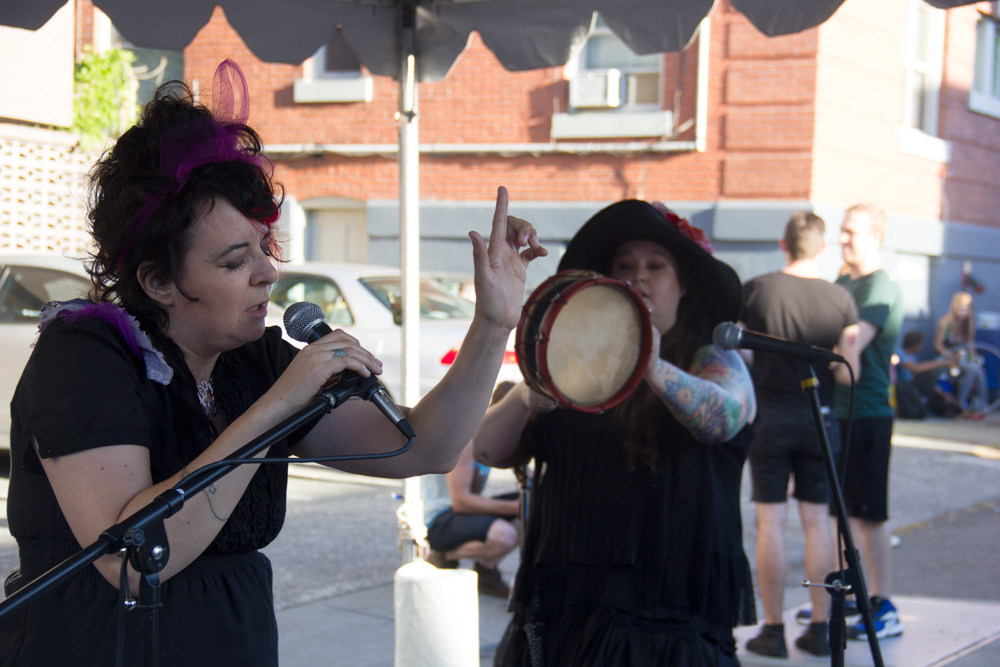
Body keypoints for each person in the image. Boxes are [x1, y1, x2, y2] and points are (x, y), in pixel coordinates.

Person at [0, 61, 546, 667]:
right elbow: (132, 559)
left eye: (265, 246)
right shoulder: (85, 359)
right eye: (235, 262)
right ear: (157, 280)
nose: (268, 273)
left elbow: (423, 449)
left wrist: (493, 323)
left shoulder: (252, 358)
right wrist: (279, 405)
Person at [474, 200, 758, 667]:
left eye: (655, 266)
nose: (638, 276)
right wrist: (526, 396)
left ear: (683, 284)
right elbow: (486, 449)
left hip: (666, 609)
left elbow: (725, 418)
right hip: (568, 598)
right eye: (624, 266)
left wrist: (649, 364)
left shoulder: (712, 357)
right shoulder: (568, 359)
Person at [740, 211, 860, 658]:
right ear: (822, 248)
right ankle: (821, 627)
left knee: (770, 523)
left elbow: (742, 357)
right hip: (819, 416)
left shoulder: (757, 290)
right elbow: (851, 375)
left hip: (769, 415)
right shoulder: (840, 299)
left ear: (782, 243)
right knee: (818, 523)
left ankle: (772, 630)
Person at [828, 203, 905, 640]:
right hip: (837, 413)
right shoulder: (843, 282)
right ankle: (853, 597)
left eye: (851, 232)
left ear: (875, 236)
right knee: (841, 511)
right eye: (840, 231)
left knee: (871, 513)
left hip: (870, 412)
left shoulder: (879, 289)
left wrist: (836, 356)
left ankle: (884, 602)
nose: (842, 239)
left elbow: (845, 363)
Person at [423, 381, 520, 598]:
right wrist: (514, 507)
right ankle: (443, 555)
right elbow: (461, 502)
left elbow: (527, 479)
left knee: (533, 505)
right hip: (440, 519)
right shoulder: (467, 437)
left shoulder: (497, 436)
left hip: (463, 512)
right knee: (505, 535)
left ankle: (486, 571)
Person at [934, 291, 988, 415]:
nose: (963, 311)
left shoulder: (968, 324)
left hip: (963, 360)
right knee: (971, 370)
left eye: (966, 309)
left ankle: (981, 403)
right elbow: (937, 345)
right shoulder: (945, 322)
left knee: (978, 370)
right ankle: (961, 403)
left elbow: (970, 346)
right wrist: (951, 356)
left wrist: (974, 359)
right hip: (946, 360)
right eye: (960, 308)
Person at [895, 331, 957, 419]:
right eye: (920, 344)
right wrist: (941, 362)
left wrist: (944, 395)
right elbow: (915, 369)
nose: (921, 348)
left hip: (913, 389)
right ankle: (921, 402)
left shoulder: (913, 357)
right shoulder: (899, 353)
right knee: (930, 374)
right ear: (915, 344)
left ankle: (924, 402)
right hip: (903, 388)